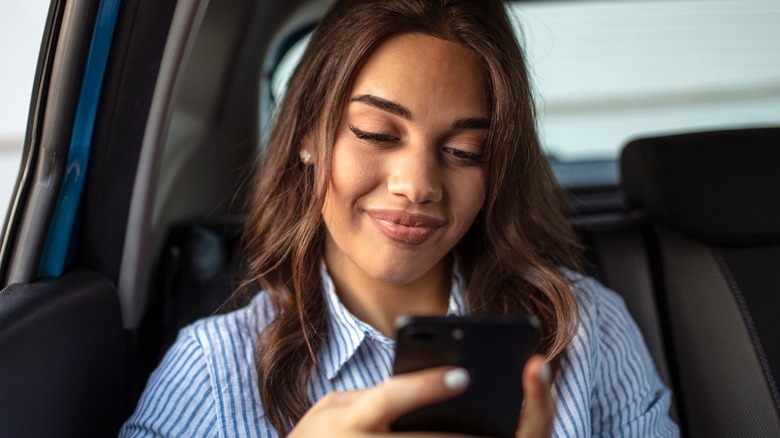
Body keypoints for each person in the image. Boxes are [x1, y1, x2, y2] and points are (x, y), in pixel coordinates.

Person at [121, 0, 678, 436]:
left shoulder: (586, 334)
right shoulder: (212, 372)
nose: (417, 185)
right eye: (377, 134)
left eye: (465, 151)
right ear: (308, 137)